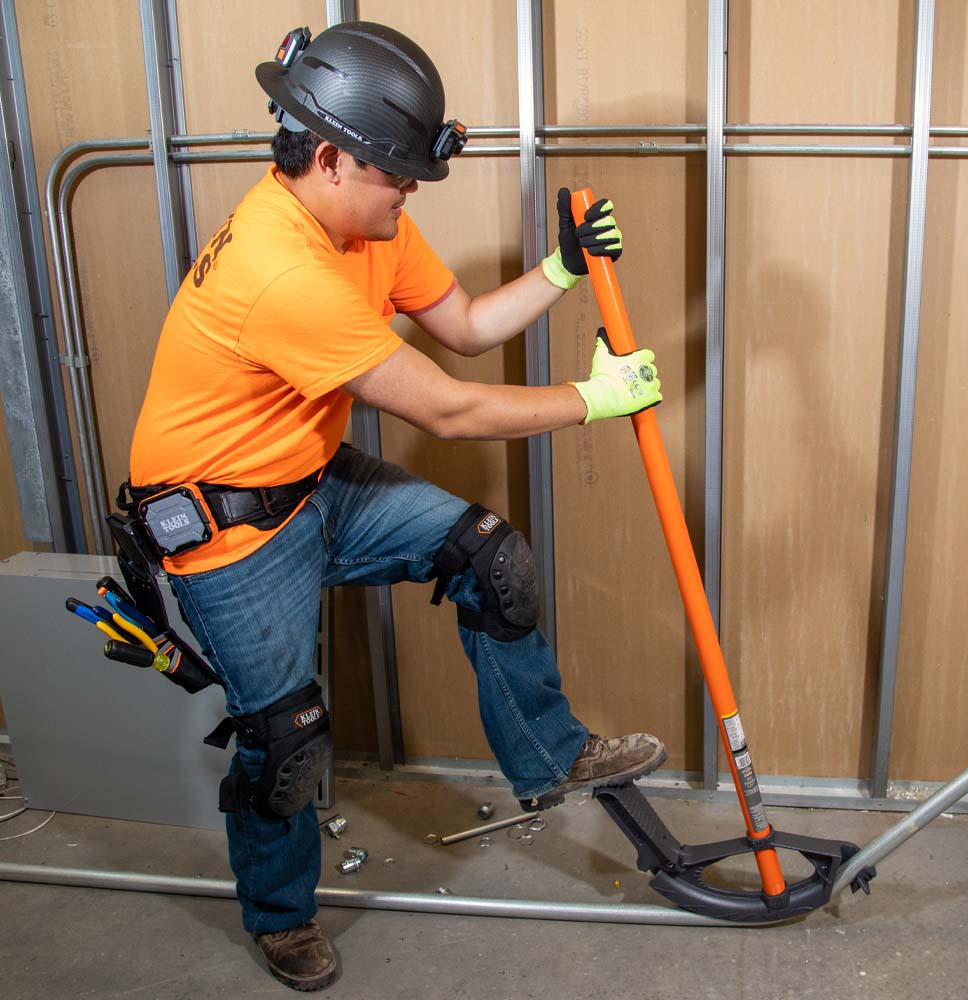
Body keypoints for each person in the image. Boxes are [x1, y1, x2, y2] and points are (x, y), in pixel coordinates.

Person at [125, 20, 666, 994]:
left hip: (312, 478)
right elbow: (452, 410)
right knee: (284, 742)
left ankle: (550, 755)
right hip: (227, 529)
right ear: (332, 158)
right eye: (397, 175)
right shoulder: (280, 270)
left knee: (490, 560)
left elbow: (465, 329)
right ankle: (282, 918)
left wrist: (560, 269)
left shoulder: (366, 222)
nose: (409, 192)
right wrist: (594, 399)